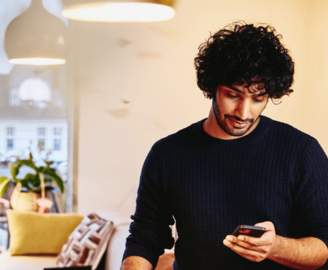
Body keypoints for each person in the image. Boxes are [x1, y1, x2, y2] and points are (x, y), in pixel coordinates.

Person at [121, 22, 328, 269]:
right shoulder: (166, 154)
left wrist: (276, 247)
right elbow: (145, 235)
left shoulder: (302, 151)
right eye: (233, 94)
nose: (244, 112)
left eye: (258, 99)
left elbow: (323, 246)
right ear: (210, 87)